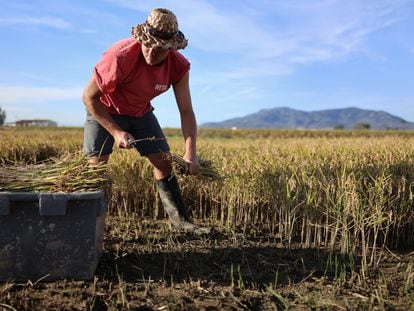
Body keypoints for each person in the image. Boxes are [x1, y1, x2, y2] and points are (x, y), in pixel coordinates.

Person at [82, 8, 209, 234]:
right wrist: (115, 132)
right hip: (106, 109)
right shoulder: (119, 56)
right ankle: (89, 228)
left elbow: (186, 111)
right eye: (147, 44)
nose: (151, 52)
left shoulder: (179, 67)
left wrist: (191, 153)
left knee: (163, 162)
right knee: (96, 168)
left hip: (141, 112)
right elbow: (89, 98)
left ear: (171, 48)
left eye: (159, 49)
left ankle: (181, 223)